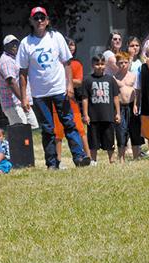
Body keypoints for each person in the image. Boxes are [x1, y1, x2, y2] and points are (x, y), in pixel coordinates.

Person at [16, 6, 90, 169]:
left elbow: (67, 63)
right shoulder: (26, 43)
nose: (40, 21)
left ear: (47, 20)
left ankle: (79, 157)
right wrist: (24, 97)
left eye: (42, 17)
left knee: (69, 123)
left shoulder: (56, 37)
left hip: (59, 90)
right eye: (36, 18)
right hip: (39, 93)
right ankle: (52, 163)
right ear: (31, 21)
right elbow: (22, 72)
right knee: (48, 128)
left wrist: (69, 85)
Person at [53, 37, 90, 168]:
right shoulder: (55, 63)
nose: (70, 47)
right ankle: (57, 161)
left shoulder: (76, 64)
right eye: (67, 45)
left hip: (72, 102)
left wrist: (65, 80)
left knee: (80, 129)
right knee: (58, 133)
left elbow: (79, 82)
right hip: (56, 101)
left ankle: (88, 157)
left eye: (72, 44)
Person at [82, 54, 121, 164]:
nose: (100, 66)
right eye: (97, 64)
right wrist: (85, 114)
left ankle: (112, 160)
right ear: (92, 65)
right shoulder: (88, 80)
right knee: (93, 141)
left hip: (108, 116)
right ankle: (93, 161)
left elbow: (115, 97)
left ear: (105, 65)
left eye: (102, 64)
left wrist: (117, 113)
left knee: (109, 140)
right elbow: (85, 98)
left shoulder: (110, 80)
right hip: (93, 117)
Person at [0, 35, 39, 129]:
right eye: (11, 44)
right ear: (5, 47)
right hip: (13, 104)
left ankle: (30, 144)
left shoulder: (15, 59)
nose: (14, 46)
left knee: (33, 128)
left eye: (16, 43)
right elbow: (11, 82)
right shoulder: (5, 61)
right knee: (20, 133)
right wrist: (23, 99)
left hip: (21, 103)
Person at [114, 52, 143, 163]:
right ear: (117, 63)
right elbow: (114, 94)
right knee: (121, 131)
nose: (123, 65)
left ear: (129, 62)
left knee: (135, 131)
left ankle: (136, 157)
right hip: (120, 106)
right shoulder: (114, 77)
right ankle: (121, 158)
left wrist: (136, 104)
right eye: (121, 63)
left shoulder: (133, 75)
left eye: (125, 62)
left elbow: (136, 91)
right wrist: (116, 111)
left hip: (132, 105)